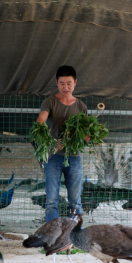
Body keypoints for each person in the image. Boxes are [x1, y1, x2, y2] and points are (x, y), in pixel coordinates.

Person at [36, 65, 90, 222]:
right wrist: (41, 131)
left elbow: (86, 135)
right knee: (52, 201)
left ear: (75, 83)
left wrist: (87, 137)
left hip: (74, 157)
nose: (65, 87)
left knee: (75, 201)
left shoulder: (81, 106)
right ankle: (51, 238)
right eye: (62, 83)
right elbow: (41, 120)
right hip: (53, 156)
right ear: (56, 83)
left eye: (69, 83)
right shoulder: (50, 102)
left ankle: (74, 237)